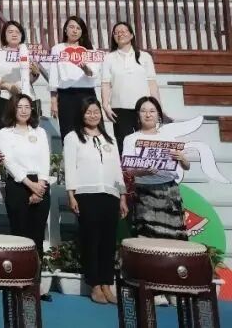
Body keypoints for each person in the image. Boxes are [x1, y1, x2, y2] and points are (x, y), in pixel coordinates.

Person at [122, 96, 190, 307]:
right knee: (148, 241)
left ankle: (173, 288)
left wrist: (182, 158)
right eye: (144, 111)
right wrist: (143, 170)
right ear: (138, 115)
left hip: (169, 192)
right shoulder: (131, 139)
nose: (148, 114)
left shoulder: (169, 136)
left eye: (152, 111)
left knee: (173, 241)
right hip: (145, 193)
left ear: (159, 114)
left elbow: (186, 166)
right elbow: (128, 169)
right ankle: (152, 289)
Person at [63, 97, 128, 305]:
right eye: (88, 112)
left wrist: (123, 196)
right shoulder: (73, 137)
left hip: (110, 194)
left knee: (108, 241)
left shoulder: (110, 139)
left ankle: (107, 283)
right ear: (82, 115)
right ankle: (94, 285)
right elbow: (70, 167)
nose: (93, 115)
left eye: (96, 112)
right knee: (91, 240)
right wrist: (71, 194)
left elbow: (117, 169)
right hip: (86, 194)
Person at [0, 93, 51, 300]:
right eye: (20, 107)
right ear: (13, 109)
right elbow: (8, 161)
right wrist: (30, 185)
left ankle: (35, 283)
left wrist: (41, 186)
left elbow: (45, 159)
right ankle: (19, 282)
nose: (24, 110)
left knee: (37, 238)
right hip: (18, 185)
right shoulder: (5, 133)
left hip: (41, 184)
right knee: (20, 235)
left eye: (27, 106)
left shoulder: (40, 132)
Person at [102, 22, 159, 151]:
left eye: (124, 31)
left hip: (143, 109)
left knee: (145, 146)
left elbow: (152, 83)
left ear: (132, 35)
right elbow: (105, 83)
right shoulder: (109, 58)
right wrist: (105, 105)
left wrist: (157, 106)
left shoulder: (145, 57)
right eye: (117, 32)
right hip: (119, 109)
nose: (120, 34)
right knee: (124, 146)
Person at [49, 16, 100, 142]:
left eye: (78, 28)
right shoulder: (57, 49)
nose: (75, 30)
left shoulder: (89, 49)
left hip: (87, 95)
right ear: (65, 30)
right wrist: (54, 101)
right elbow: (53, 76)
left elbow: (93, 73)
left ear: (82, 31)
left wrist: (86, 69)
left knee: (90, 130)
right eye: (71, 27)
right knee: (68, 132)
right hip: (66, 95)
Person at [0, 20, 39, 128]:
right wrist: (7, 86)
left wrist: (34, 74)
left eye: (17, 32)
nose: (14, 34)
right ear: (4, 35)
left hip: (27, 98)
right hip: (5, 98)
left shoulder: (27, 53)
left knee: (29, 130)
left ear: (22, 35)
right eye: (10, 32)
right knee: (5, 130)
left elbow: (30, 80)